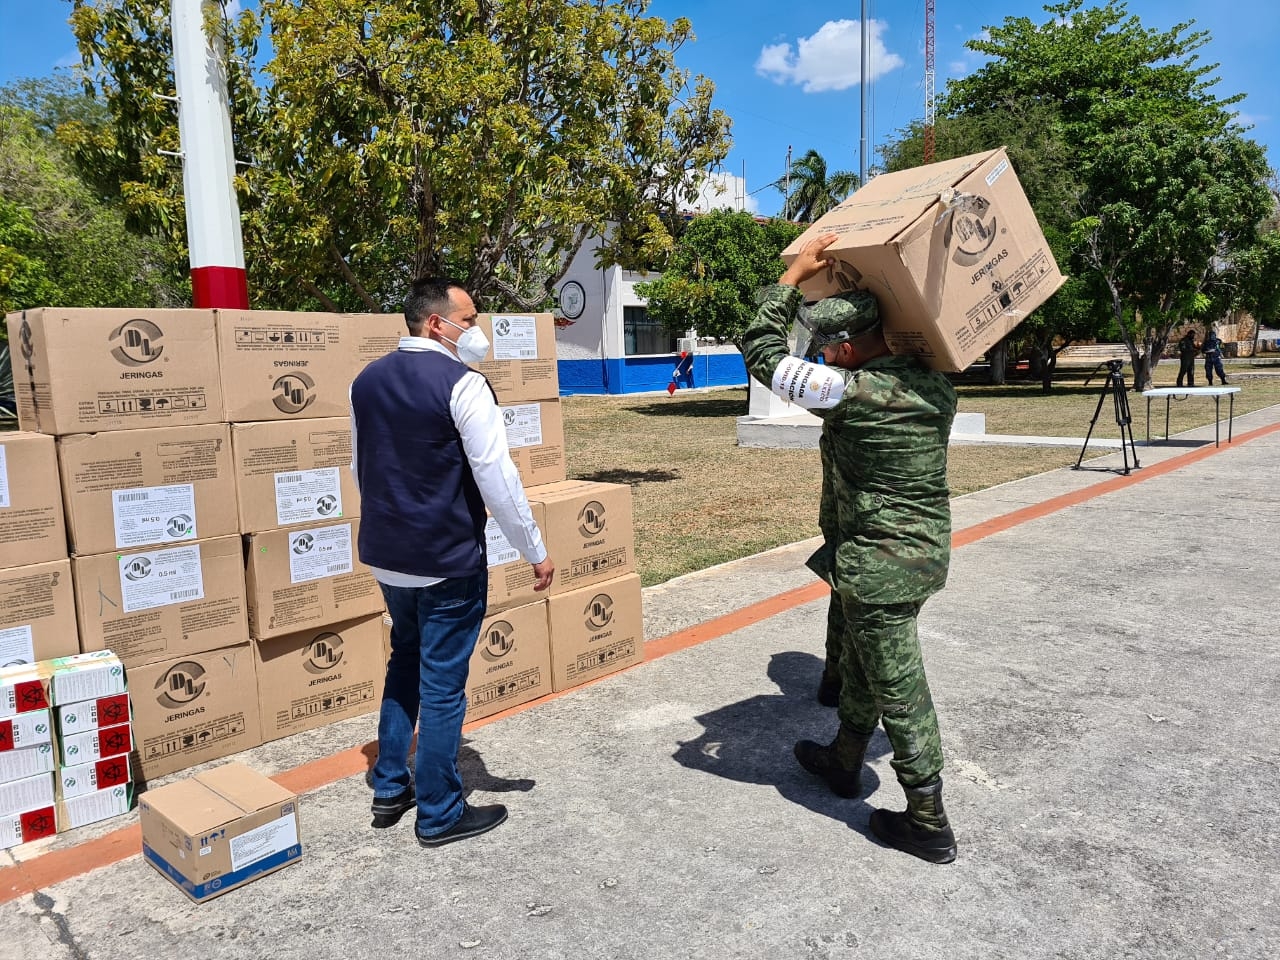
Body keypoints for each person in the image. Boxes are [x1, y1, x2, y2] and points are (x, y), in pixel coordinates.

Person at [741, 233, 959, 864]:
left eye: (830, 348)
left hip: (879, 566)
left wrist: (791, 282)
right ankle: (843, 759)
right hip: (921, 556)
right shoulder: (935, 387)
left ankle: (928, 819)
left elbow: (761, 354)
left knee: (900, 686)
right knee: (865, 664)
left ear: (845, 348)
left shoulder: (852, 394)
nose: (827, 357)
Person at [350, 276, 555, 847]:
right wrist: (534, 549)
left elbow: (359, 465)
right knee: (442, 686)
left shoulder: (364, 381)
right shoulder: (463, 384)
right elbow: (498, 477)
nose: (477, 330)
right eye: (469, 319)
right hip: (445, 557)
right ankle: (439, 810)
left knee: (404, 664)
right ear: (436, 323)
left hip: (387, 556)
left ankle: (391, 785)